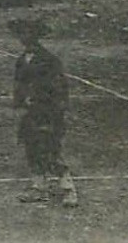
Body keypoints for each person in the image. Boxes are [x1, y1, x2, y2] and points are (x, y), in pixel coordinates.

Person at [11, 18, 78, 208]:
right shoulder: (21, 60)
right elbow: (19, 85)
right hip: (31, 113)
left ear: (36, 36)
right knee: (31, 147)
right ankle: (38, 185)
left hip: (48, 112)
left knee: (50, 149)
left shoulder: (50, 60)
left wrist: (53, 109)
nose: (23, 38)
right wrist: (19, 102)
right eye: (21, 34)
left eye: (27, 33)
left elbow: (59, 88)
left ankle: (68, 187)